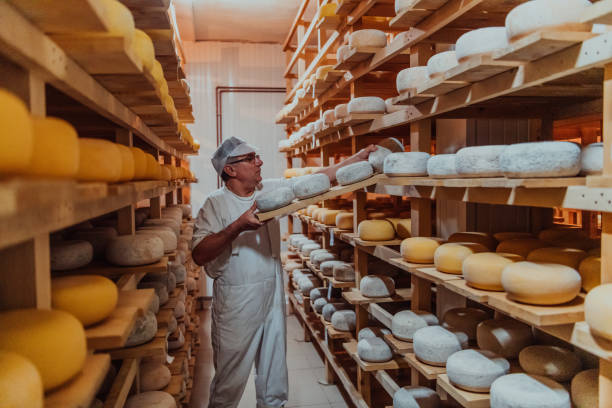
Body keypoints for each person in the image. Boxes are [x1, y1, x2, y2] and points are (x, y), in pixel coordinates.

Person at [192, 136, 377, 408]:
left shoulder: (268, 191)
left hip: (272, 297)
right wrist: (237, 227)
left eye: (257, 156)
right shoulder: (215, 204)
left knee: (274, 378)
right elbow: (199, 254)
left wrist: (356, 158)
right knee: (229, 383)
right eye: (251, 158)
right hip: (237, 304)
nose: (259, 162)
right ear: (230, 170)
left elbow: (313, 180)